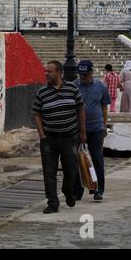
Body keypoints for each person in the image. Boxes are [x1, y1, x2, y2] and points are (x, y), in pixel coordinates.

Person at [33, 60, 86, 214]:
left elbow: (80, 110)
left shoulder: (72, 89)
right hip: (49, 139)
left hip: (70, 137)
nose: (46, 74)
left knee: (71, 170)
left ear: (59, 73)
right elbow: (36, 114)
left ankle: (67, 191)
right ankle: (52, 203)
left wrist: (82, 132)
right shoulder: (41, 92)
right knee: (49, 173)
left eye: (49, 72)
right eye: (45, 72)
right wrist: (42, 135)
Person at [74, 61, 111, 202]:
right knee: (77, 160)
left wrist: (104, 126)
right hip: (77, 129)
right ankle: (78, 191)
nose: (83, 77)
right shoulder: (73, 86)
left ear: (91, 73)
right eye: (81, 74)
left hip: (96, 129)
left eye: (86, 74)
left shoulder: (100, 87)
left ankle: (98, 189)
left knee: (97, 159)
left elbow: (104, 107)